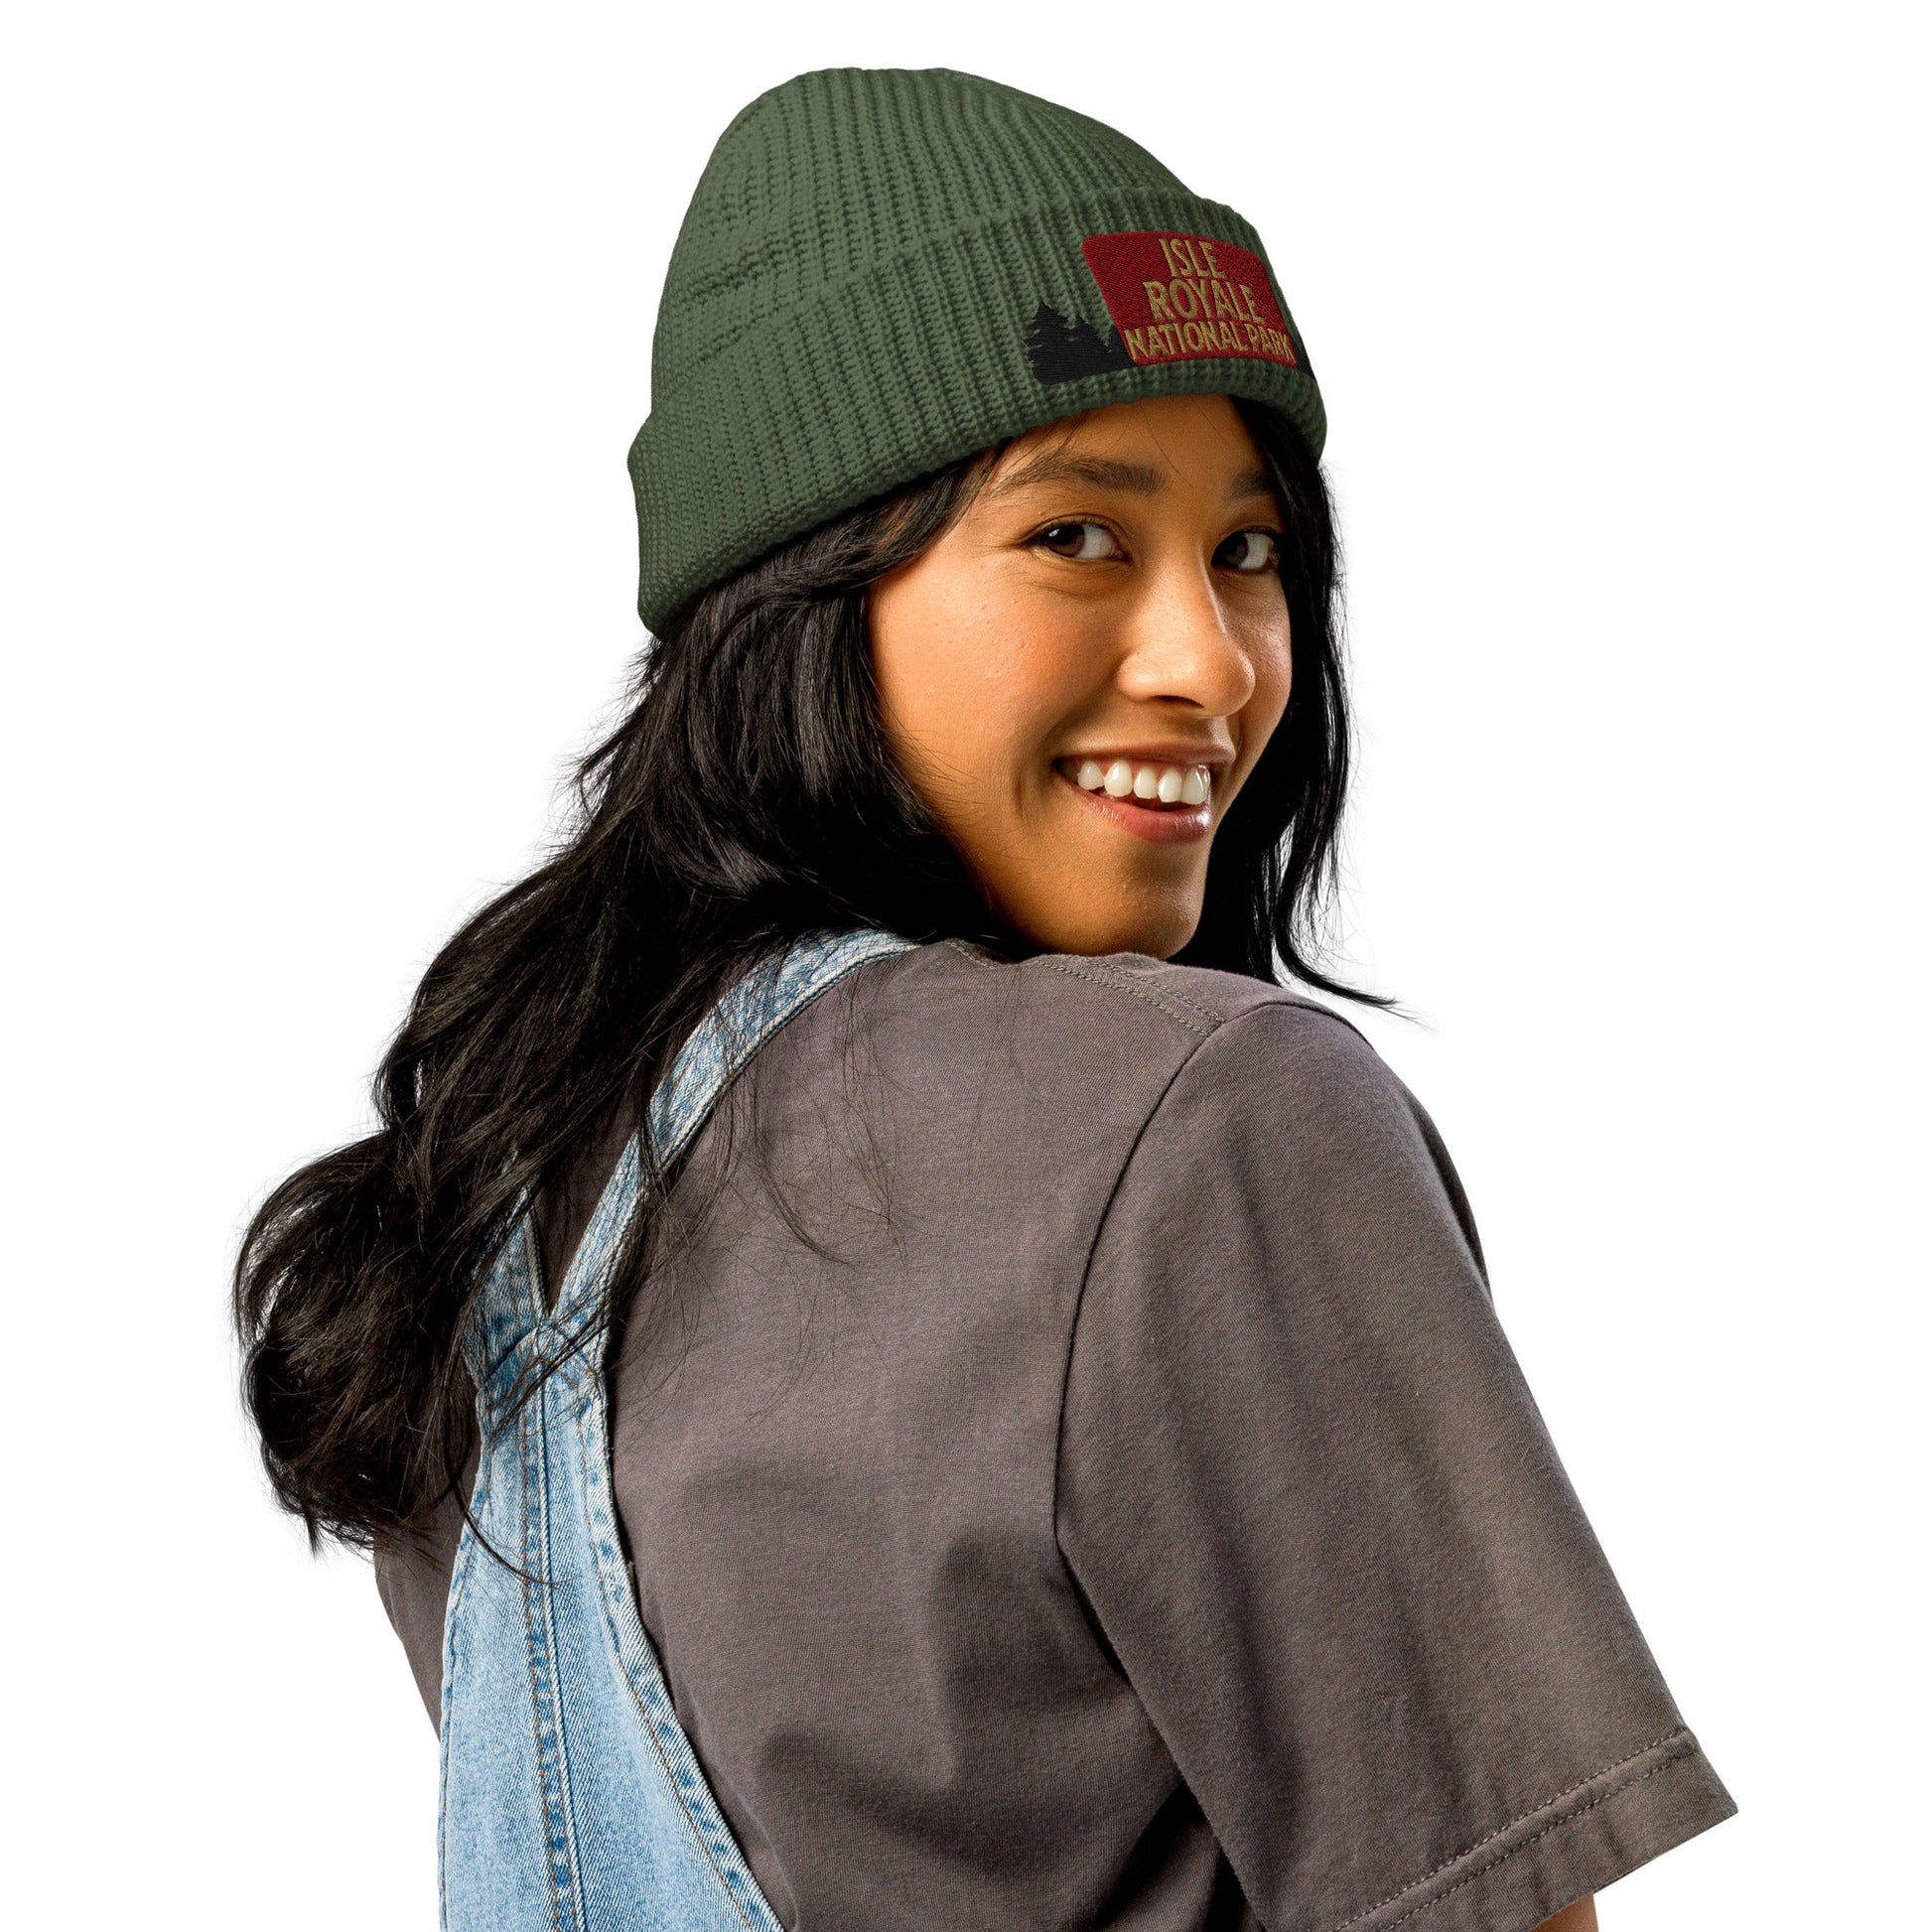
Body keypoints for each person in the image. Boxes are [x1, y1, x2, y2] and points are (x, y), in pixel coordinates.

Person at [233, 65, 1736, 1932]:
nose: (1212, 662)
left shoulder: (491, 1211)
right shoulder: (1208, 1119)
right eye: (1076, 535)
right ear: (808, 586)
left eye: (1250, 552)